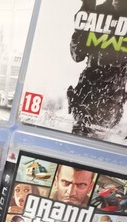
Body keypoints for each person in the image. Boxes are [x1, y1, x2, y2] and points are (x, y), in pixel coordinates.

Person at [68, 0, 126, 138]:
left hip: (111, 101)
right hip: (86, 97)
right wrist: (85, 11)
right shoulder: (95, 11)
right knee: (77, 143)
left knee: (97, 143)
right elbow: (77, 55)